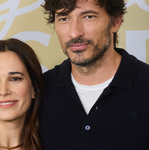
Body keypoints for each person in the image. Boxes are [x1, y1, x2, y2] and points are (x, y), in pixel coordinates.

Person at [39, 0, 149, 149]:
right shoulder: (39, 90)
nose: (74, 32)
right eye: (64, 18)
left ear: (116, 21)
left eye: (88, 16)